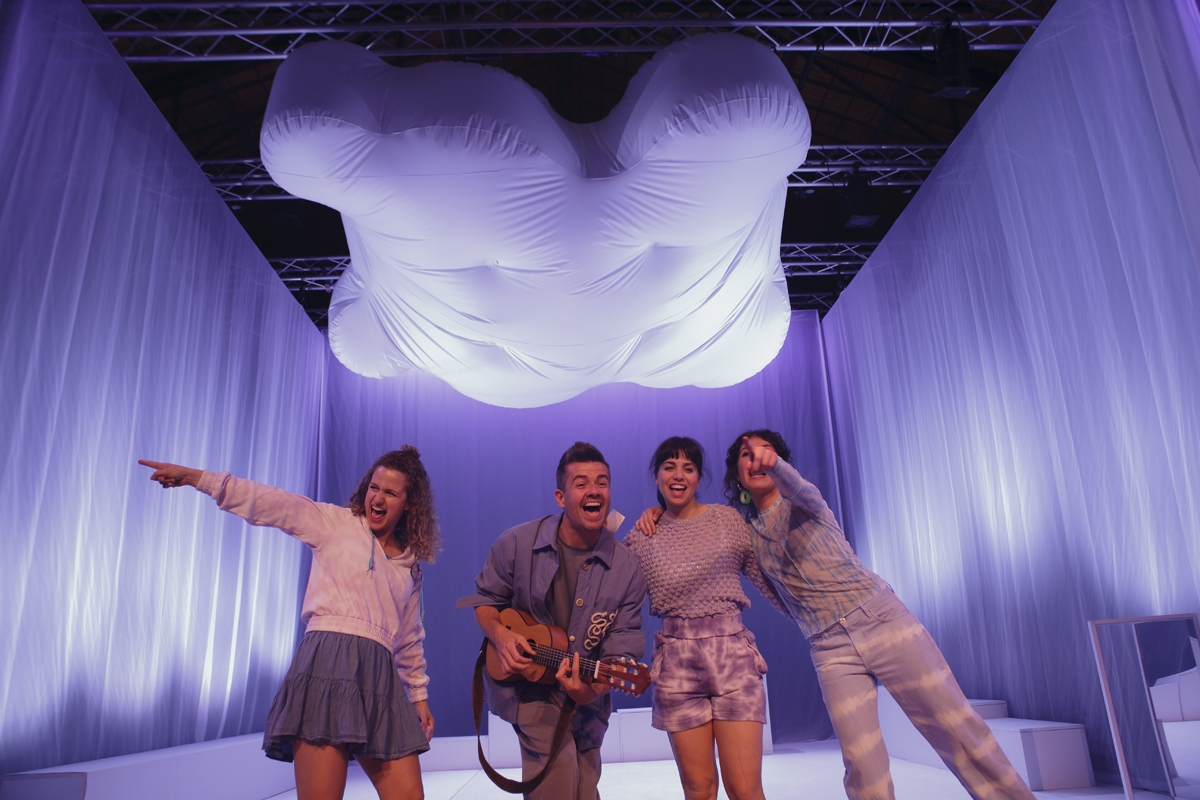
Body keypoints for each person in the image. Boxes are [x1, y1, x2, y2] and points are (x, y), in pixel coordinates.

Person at [724, 430, 1035, 800]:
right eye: (747, 455)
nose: (757, 459)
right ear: (737, 476)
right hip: (829, 649)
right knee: (862, 761)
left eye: (766, 452)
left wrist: (776, 465)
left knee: (955, 728)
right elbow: (761, 581)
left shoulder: (804, 500)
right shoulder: (747, 534)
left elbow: (798, 487)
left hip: (881, 620)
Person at [139, 447, 439, 800]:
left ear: (409, 503)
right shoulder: (335, 523)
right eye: (374, 487)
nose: (378, 498)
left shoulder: (409, 565)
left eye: (390, 492)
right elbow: (271, 502)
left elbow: (409, 638)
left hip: (379, 683)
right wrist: (195, 478)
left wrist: (418, 696)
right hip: (327, 669)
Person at [457, 442, 648, 800]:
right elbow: (485, 601)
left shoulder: (627, 569)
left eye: (602, 482)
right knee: (558, 779)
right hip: (530, 691)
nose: (594, 490)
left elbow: (622, 646)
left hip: (589, 699)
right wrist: (500, 636)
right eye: (581, 483)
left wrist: (588, 691)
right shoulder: (516, 543)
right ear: (561, 497)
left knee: (584, 789)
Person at [624, 436, 789, 800]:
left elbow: (766, 581)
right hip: (677, 666)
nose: (678, 475)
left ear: (698, 478)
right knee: (699, 789)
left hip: (732, 660)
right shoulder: (643, 536)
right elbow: (612, 589)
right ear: (657, 477)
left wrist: (813, 615)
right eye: (669, 467)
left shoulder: (727, 521)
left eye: (688, 468)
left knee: (745, 789)